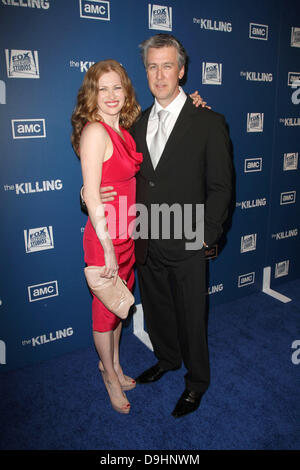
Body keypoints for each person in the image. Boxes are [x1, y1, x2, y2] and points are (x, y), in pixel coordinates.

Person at [102, 34, 232, 418]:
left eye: (168, 65)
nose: (160, 75)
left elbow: (221, 187)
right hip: (146, 237)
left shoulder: (208, 121)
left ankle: (197, 383)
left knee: (192, 316)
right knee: (157, 310)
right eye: (153, 66)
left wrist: (206, 237)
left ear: (182, 70)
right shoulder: (136, 124)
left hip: (189, 238)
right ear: (146, 72)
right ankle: (167, 358)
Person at [71, 60, 142, 414]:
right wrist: (107, 249)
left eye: (118, 87)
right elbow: (95, 196)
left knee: (118, 307)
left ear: (126, 91)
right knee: (104, 312)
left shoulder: (125, 133)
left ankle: (111, 363)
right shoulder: (95, 132)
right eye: (103, 88)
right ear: (92, 94)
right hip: (105, 240)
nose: (111, 95)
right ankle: (110, 377)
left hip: (126, 235)